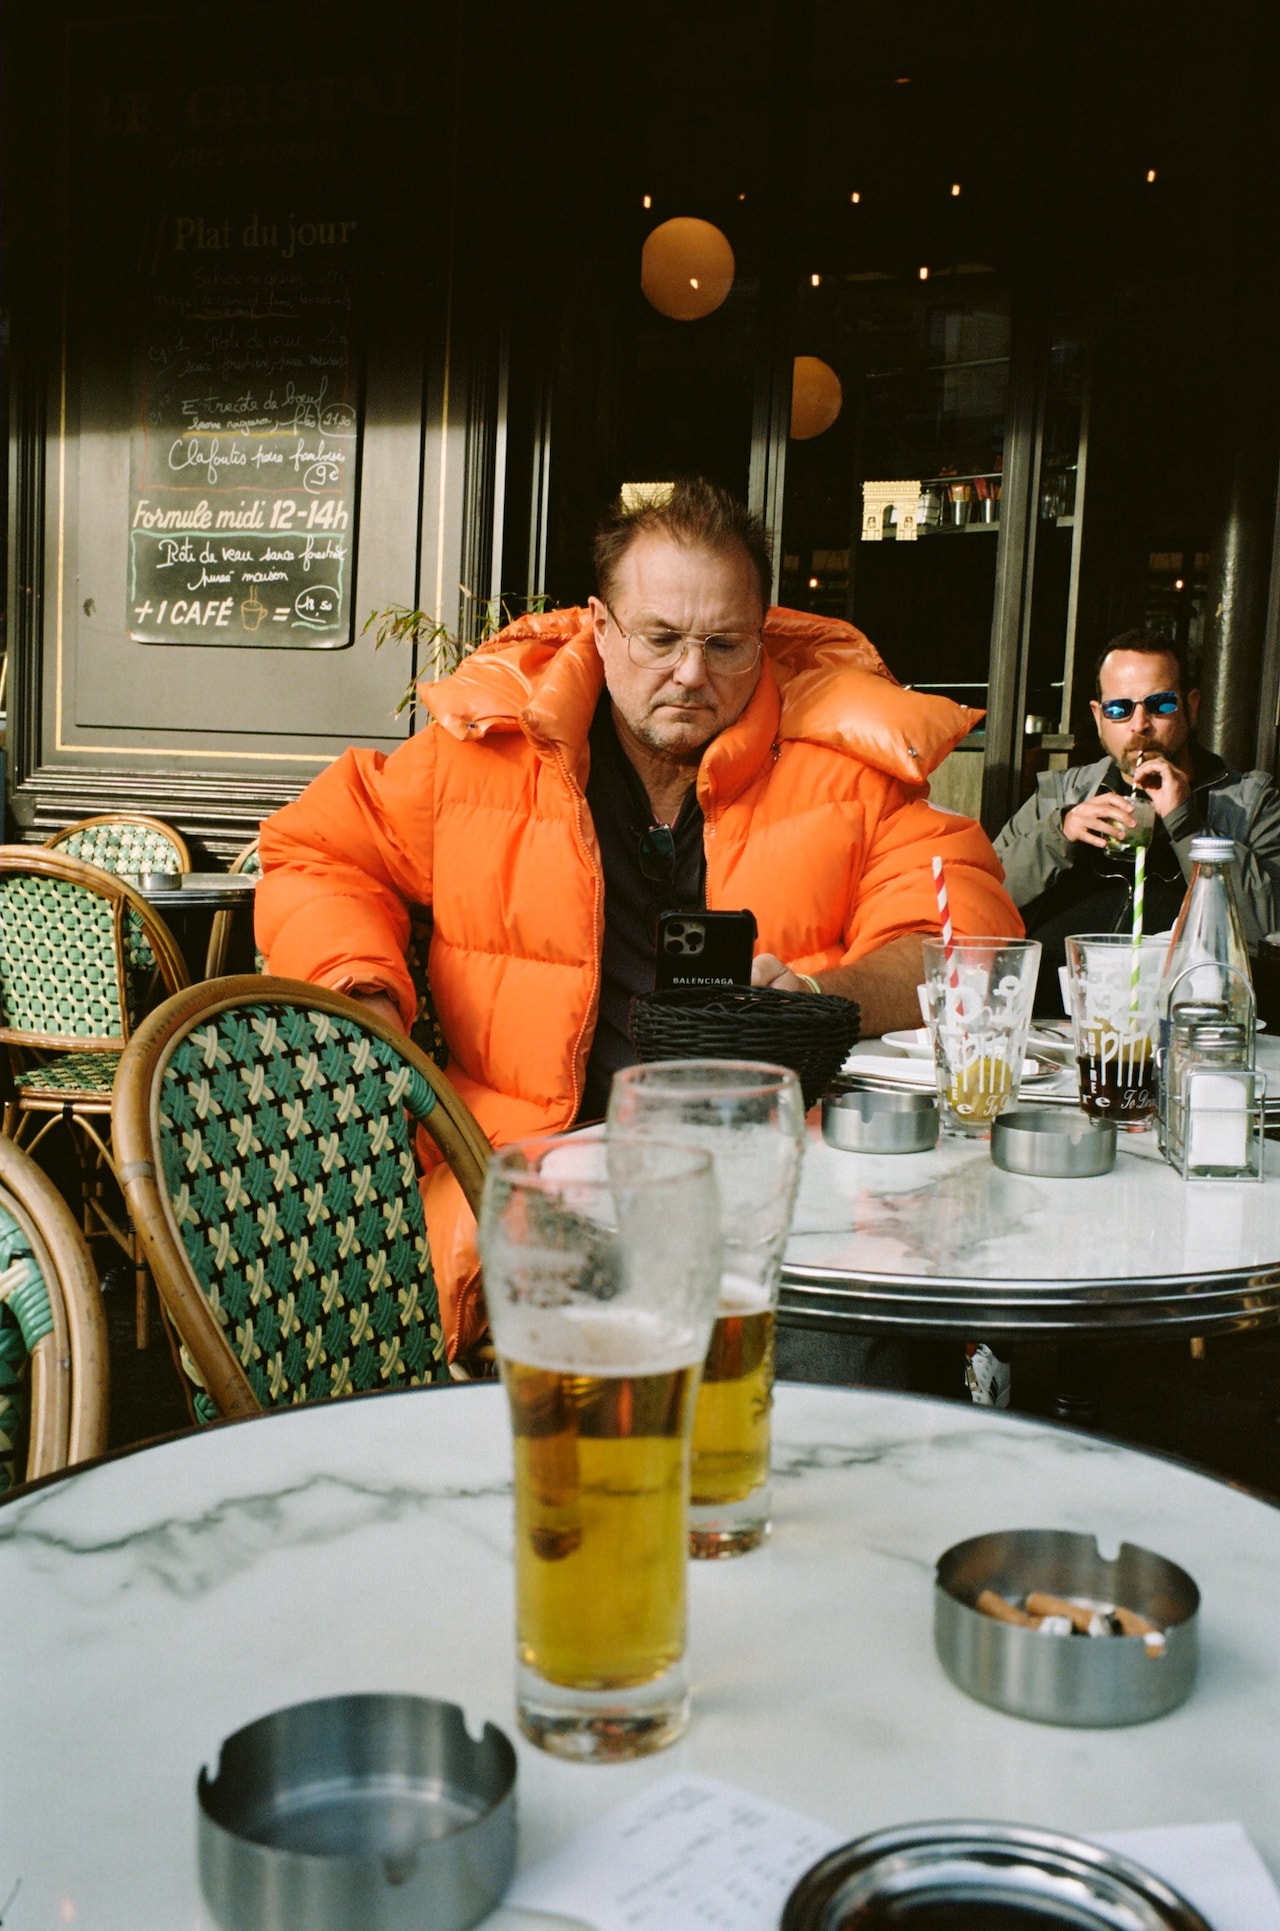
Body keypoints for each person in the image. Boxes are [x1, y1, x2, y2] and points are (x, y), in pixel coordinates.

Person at [257, 478, 1021, 1358]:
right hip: (537, 1194)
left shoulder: (844, 774)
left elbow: (964, 939)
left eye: (725, 644)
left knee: (849, 1358)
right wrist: (363, 1000)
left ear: (763, 635)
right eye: (660, 638)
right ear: (600, 626)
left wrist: (818, 993)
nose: (691, 674)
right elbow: (319, 850)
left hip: (775, 1200)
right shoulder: (485, 761)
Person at [995, 629, 1280, 1008]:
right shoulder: (1059, 796)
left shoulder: (1250, 803)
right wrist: (1058, 834)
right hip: (1046, 1017)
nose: (1139, 724)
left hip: (1180, 1023)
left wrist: (1187, 825)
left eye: (1160, 705)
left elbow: (1270, 930)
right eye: (1119, 709)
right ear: (1099, 718)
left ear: (1191, 708)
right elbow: (980, 897)